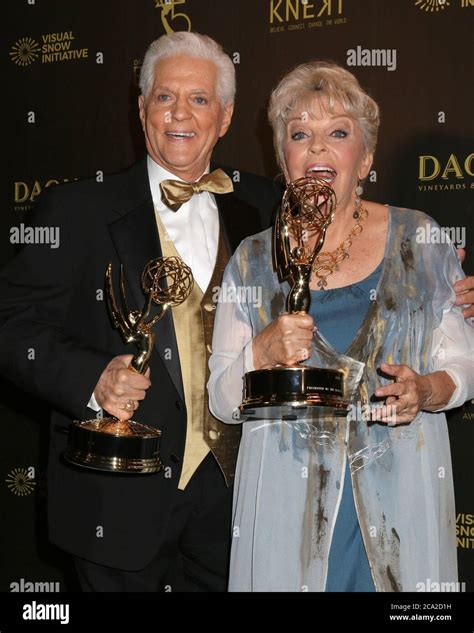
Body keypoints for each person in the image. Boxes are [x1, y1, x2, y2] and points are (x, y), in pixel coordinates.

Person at [0, 32, 281, 592]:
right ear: (141, 108)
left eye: (199, 99)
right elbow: (10, 325)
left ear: (224, 117)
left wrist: (437, 269)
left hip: (239, 499)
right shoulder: (76, 209)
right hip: (116, 496)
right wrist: (91, 378)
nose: (181, 113)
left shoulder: (266, 205)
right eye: (164, 97)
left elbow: (347, 257)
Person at [207, 61, 474, 592]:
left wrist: (425, 389)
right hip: (288, 513)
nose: (318, 148)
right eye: (300, 134)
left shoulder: (417, 237)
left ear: (366, 157)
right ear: (283, 159)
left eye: (338, 133)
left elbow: (463, 365)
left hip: (399, 503)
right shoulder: (253, 258)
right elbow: (220, 399)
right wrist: (260, 350)